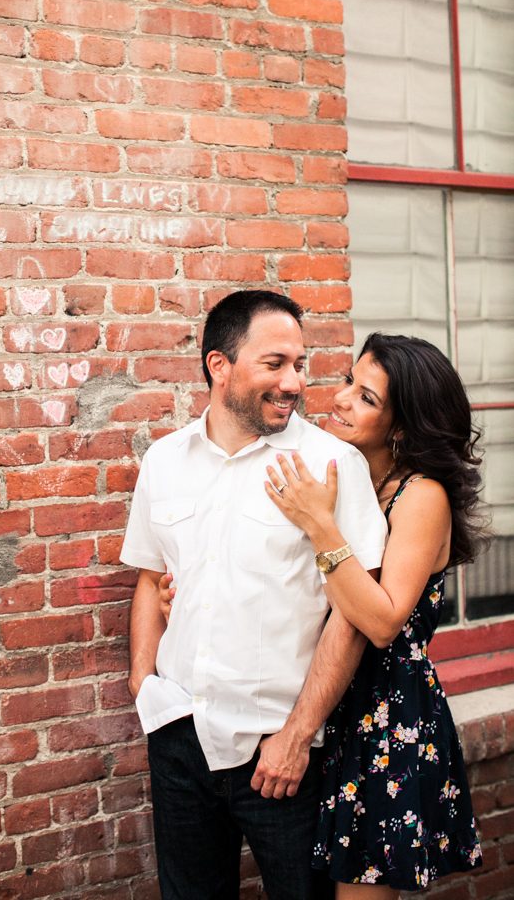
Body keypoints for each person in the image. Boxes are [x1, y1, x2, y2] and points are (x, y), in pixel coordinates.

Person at [162, 332, 486, 897]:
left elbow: (381, 621)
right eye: (347, 382)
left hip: (384, 719)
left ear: (403, 427)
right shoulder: (355, 477)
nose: (339, 399)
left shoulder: (420, 495)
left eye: (366, 398)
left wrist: (319, 524)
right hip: (330, 711)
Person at [122, 289, 388, 900]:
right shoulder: (165, 460)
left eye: (299, 364)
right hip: (180, 739)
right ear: (221, 366)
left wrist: (298, 736)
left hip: (284, 757)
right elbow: (147, 575)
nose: (294, 382)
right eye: (275, 364)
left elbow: (351, 616)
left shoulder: (331, 464)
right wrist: (145, 683)